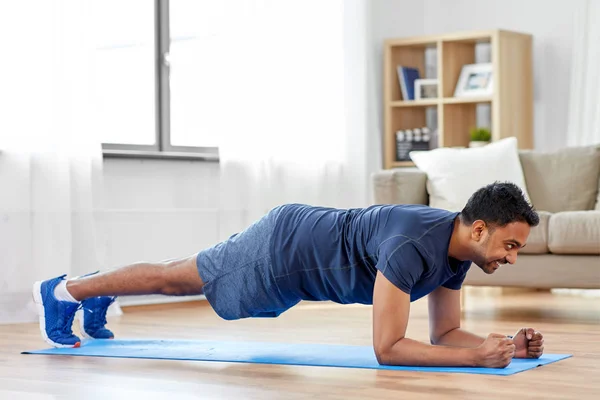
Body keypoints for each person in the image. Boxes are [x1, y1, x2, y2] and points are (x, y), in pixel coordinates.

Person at [33, 181, 545, 368]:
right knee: (178, 278)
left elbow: (445, 333)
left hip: (297, 257)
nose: (513, 257)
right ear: (480, 228)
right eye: (510, 245)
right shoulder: (412, 245)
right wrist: (474, 362)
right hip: (280, 251)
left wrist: (505, 348)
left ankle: (95, 291)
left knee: (179, 274)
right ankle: (65, 290)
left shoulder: (457, 253)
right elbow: (387, 350)